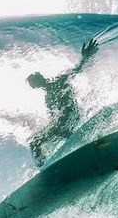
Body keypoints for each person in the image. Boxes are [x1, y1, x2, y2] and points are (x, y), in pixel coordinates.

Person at [27, 38, 99, 167]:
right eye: (33, 84)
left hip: (71, 117)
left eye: (34, 81)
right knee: (34, 143)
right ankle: (45, 167)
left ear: (40, 78)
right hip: (63, 123)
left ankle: (88, 144)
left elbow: (77, 69)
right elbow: (53, 116)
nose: (34, 85)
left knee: (37, 141)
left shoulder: (60, 81)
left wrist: (85, 56)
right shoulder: (47, 96)